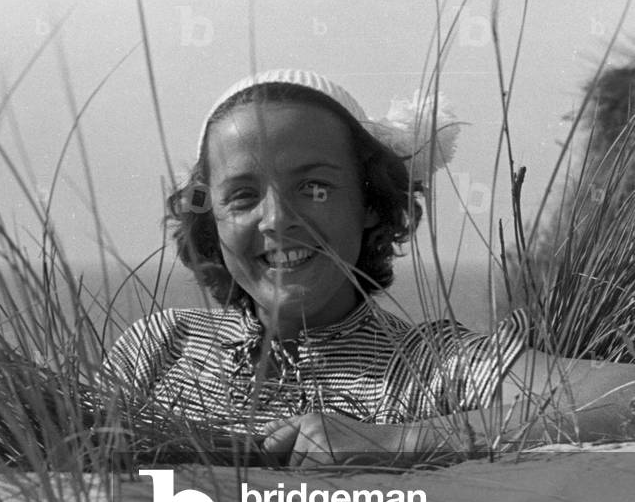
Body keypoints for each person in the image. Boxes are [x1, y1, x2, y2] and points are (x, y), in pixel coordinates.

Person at [104, 69, 635, 467]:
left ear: (371, 205)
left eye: (314, 187)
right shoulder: (159, 344)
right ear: (212, 223)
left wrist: (402, 441)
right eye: (242, 196)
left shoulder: (432, 366)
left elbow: (624, 399)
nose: (277, 220)